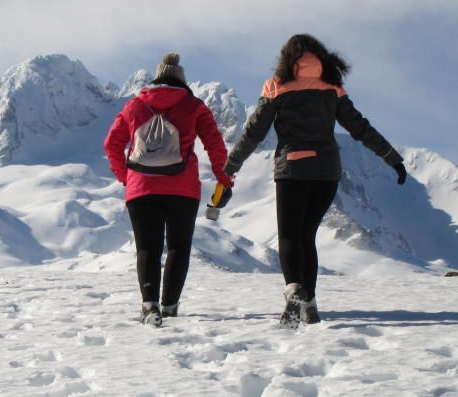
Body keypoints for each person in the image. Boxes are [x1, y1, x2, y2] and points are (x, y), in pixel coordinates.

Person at [223, 34, 408, 327]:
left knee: (289, 236)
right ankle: (309, 304)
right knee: (307, 237)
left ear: (287, 59)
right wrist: (392, 158)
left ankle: (294, 288)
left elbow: (253, 132)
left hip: (292, 169)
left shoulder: (276, 86)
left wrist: (229, 168)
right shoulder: (332, 87)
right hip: (326, 172)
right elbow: (360, 127)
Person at [104, 53, 232, 327]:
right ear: (181, 80)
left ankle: (149, 305)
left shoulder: (134, 106)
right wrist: (224, 180)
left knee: (147, 248)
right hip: (182, 189)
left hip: (141, 190)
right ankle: (170, 306)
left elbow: (111, 144)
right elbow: (215, 145)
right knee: (178, 247)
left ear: (157, 78)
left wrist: (127, 178)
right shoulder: (194, 106)